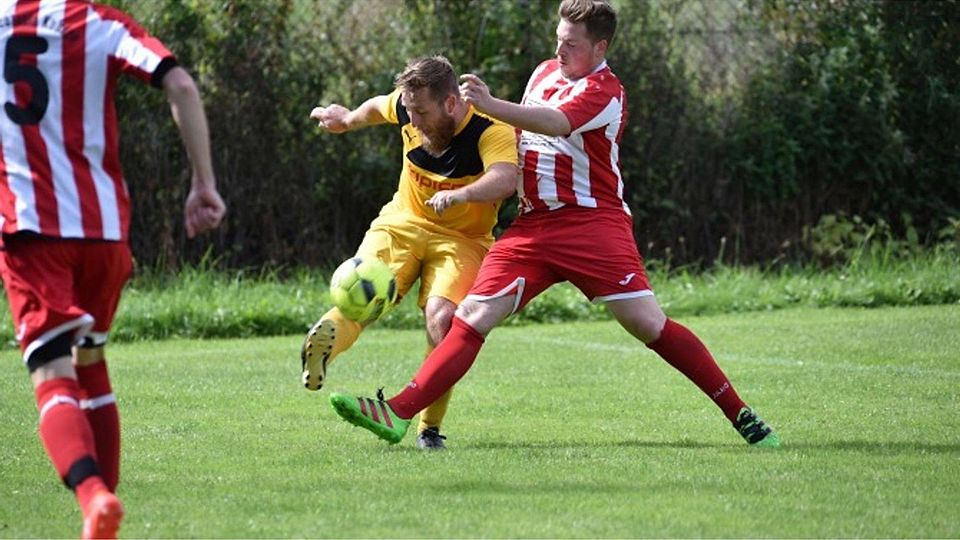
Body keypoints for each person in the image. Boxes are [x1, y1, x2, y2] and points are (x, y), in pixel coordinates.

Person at [329, 0, 780, 449]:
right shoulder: (544, 72)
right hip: (533, 225)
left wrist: (490, 105)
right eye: (558, 39)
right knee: (471, 316)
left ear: (600, 47)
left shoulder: (606, 90)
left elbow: (556, 123)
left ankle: (740, 413)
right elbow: (518, 138)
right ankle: (398, 412)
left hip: (592, 225)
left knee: (648, 325)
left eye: (572, 44)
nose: (560, 50)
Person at [0, 1, 226, 537]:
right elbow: (182, 86)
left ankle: (93, 497)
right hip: (103, 232)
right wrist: (203, 183)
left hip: (32, 229)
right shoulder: (99, 23)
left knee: (51, 371)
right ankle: (103, 520)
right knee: (91, 360)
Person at [301, 55, 518, 450]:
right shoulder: (406, 105)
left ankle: (428, 428)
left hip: (463, 240)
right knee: (367, 288)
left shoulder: (490, 128)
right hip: (402, 223)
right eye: (409, 110)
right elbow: (376, 108)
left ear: (450, 103)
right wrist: (346, 119)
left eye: (422, 112)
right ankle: (323, 348)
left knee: (443, 320)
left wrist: (462, 195)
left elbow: (505, 179)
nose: (412, 121)